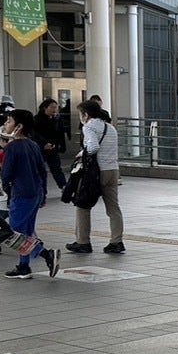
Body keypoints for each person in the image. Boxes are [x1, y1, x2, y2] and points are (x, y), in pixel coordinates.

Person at [0, 110, 58, 280]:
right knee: (26, 231)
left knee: (14, 233)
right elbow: (42, 171)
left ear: (18, 127)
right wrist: (43, 193)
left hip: (21, 193)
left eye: (9, 121)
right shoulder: (33, 145)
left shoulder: (12, 148)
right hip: (35, 192)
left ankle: (46, 254)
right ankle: (23, 266)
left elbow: (6, 174)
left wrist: (6, 190)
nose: (5, 124)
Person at [67, 99, 125, 254]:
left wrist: (82, 153)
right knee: (113, 208)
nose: (81, 117)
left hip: (97, 173)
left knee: (83, 206)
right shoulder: (110, 127)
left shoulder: (89, 126)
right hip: (113, 171)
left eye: (81, 114)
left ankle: (83, 242)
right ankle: (116, 241)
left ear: (86, 114)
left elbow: (93, 147)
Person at [33, 98, 70, 190]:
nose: (54, 109)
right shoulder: (36, 119)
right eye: (52, 107)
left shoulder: (57, 119)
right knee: (39, 170)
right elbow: (34, 135)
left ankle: (63, 186)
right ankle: (41, 190)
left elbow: (60, 133)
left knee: (56, 168)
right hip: (40, 149)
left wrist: (61, 145)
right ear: (45, 108)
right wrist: (43, 144)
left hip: (53, 148)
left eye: (55, 107)